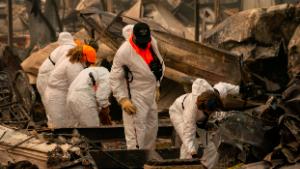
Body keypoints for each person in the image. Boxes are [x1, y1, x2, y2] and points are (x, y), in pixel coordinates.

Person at [110, 22, 165, 150]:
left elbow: (158, 65)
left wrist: (157, 85)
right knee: (136, 134)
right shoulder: (124, 52)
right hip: (135, 95)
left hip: (150, 94)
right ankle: (136, 161)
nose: (144, 43)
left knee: (152, 129)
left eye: (146, 40)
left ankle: (148, 161)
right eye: (141, 40)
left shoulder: (152, 42)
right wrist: (122, 99)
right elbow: (114, 78)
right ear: (133, 36)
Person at [169, 78, 239, 167]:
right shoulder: (191, 111)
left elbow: (224, 86)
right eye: (209, 111)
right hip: (178, 113)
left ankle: (207, 167)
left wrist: (239, 89)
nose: (210, 113)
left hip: (199, 120)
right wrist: (193, 153)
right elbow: (188, 133)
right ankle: (184, 166)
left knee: (212, 149)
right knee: (190, 144)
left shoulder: (215, 94)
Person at [44, 45, 97, 128]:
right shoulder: (74, 66)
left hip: (62, 93)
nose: (89, 64)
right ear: (82, 56)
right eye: (88, 62)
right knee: (61, 126)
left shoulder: (71, 60)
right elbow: (78, 88)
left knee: (70, 122)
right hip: (57, 96)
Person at [36, 32, 76, 103]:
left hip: (43, 78)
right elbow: (69, 69)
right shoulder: (70, 49)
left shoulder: (61, 49)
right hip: (47, 78)